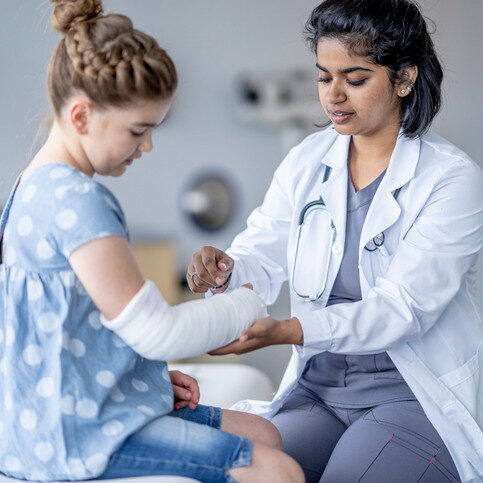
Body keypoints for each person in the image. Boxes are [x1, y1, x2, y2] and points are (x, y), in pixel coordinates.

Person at [0, 1, 305, 481]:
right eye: (137, 130)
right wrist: (247, 305)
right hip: (71, 436)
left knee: (266, 434)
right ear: (81, 116)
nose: (146, 146)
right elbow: (158, 331)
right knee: (280, 470)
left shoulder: (31, 187)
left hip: (65, 408)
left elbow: (65, 329)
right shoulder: (77, 201)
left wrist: (138, 376)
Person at [188, 0, 483, 481]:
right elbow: (261, 251)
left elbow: (402, 310)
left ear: (404, 78)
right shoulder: (308, 160)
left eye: (356, 78)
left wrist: (292, 330)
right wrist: (226, 268)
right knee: (245, 473)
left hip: (408, 396)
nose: (334, 96)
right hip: (319, 393)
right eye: (325, 77)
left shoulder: (451, 180)